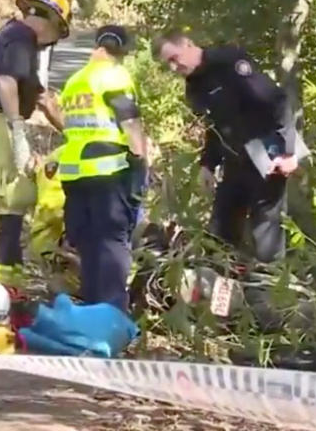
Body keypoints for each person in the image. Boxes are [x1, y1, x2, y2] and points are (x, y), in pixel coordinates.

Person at [152, 30, 298, 263]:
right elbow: (215, 126)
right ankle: (224, 288)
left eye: (174, 58)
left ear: (189, 44)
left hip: (267, 150)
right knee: (220, 233)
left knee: (265, 234)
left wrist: (288, 152)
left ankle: (269, 293)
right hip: (234, 159)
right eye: (168, 63)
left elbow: (277, 100)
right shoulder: (194, 85)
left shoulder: (229, 63)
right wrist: (208, 165)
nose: (173, 67)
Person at [0, 0, 70, 286]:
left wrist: (73, 132)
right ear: (52, 22)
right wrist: (18, 129)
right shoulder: (22, 38)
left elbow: (41, 98)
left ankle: (8, 282)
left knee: (12, 202)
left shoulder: (13, 37)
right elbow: (7, 83)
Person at [59, 25, 148, 311]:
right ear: (121, 51)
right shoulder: (114, 75)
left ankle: (91, 312)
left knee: (89, 247)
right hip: (108, 172)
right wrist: (141, 163)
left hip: (74, 174)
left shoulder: (74, 81)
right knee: (112, 244)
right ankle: (111, 313)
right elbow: (130, 122)